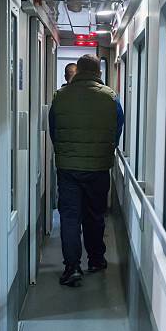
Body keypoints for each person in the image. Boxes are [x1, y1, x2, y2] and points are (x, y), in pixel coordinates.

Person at [48, 54, 125, 287]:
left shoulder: (60, 96)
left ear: (77, 71)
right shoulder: (111, 98)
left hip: (68, 168)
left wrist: (66, 152)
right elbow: (117, 130)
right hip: (99, 168)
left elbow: (54, 131)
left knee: (70, 217)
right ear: (99, 72)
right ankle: (95, 259)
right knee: (95, 214)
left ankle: (72, 267)